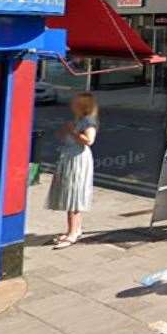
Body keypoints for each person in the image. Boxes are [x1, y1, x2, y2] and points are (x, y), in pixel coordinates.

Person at [46, 92, 98, 249]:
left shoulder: (88, 122)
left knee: (73, 196)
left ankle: (72, 234)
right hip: (70, 158)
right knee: (70, 194)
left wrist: (72, 132)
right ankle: (75, 229)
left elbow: (89, 140)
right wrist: (65, 132)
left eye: (76, 103)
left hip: (78, 161)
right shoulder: (79, 120)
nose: (72, 105)